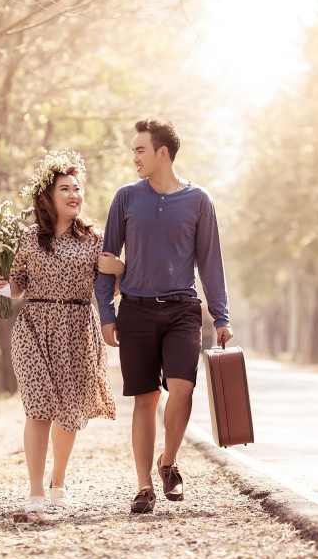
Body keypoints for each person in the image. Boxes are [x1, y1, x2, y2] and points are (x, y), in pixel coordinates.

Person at [95, 119, 233, 514]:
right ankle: (143, 487)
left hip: (182, 310)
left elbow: (210, 264)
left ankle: (168, 460)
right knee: (145, 400)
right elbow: (106, 262)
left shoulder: (198, 200)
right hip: (135, 311)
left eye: (140, 149)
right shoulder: (125, 198)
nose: (134, 156)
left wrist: (221, 317)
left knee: (183, 389)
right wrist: (107, 313)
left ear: (162, 153)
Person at [0, 151, 121, 520]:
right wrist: (0, 286)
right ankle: (34, 491)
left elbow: (110, 287)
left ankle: (58, 481)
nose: (73, 194)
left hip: (78, 329)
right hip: (34, 326)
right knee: (38, 407)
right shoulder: (30, 238)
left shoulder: (96, 239)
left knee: (69, 413)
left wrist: (120, 269)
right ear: (48, 197)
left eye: (77, 188)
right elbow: (16, 286)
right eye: (65, 188)